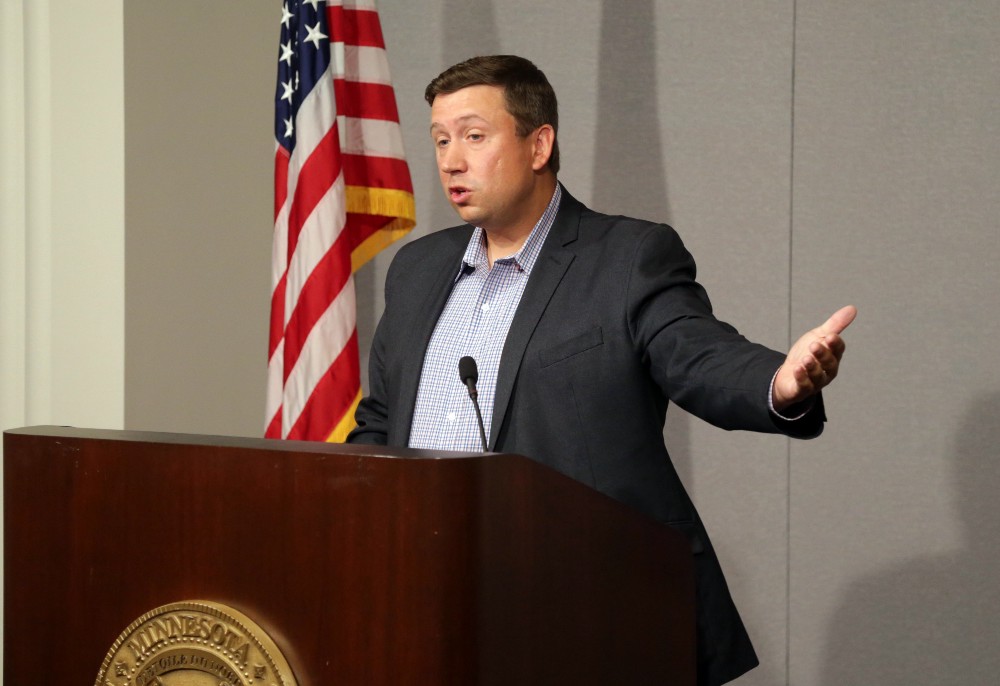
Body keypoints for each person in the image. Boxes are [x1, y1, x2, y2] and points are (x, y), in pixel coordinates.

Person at [348, 54, 856, 686]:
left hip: (589, 602)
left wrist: (778, 383)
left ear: (539, 144)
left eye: (474, 137)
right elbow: (382, 420)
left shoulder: (624, 257)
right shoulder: (418, 268)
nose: (451, 159)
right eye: (441, 140)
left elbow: (695, 353)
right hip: (427, 594)